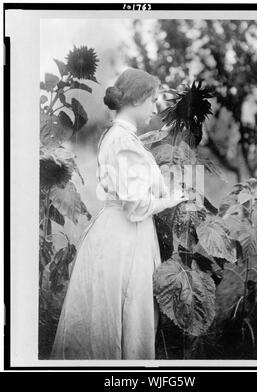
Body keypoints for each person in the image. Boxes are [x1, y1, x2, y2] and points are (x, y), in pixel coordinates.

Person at [50, 68, 188, 360]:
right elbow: (135, 204)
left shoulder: (120, 137)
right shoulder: (123, 141)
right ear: (137, 100)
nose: (155, 108)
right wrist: (172, 199)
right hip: (125, 236)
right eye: (152, 100)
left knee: (110, 313)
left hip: (119, 233)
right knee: (123, 313)